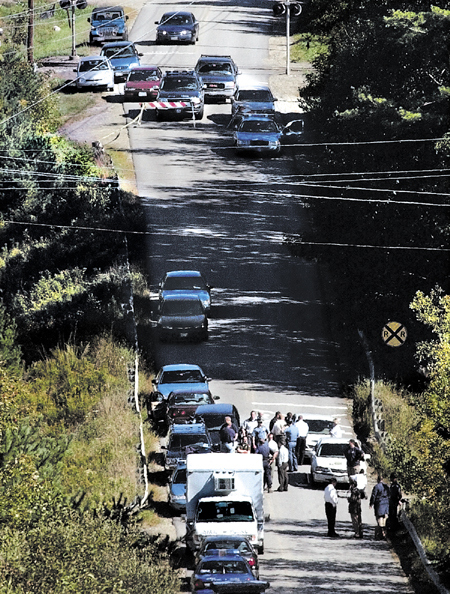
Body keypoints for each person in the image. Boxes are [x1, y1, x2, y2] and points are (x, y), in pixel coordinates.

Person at [370, 475, 390, 540]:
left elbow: (373, 496)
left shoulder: (376, 487)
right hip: (386, 504)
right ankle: (384, 533)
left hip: (379, 504)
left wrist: (371, 503)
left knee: (379, 518)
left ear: (377, 480)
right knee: (384, 518)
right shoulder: (386, 486)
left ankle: (380, 533)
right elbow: (389, 495)